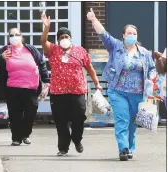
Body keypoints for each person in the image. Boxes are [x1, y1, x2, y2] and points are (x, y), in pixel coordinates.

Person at [87, 8, 156, 161]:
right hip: (117, 91)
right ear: (123, 35)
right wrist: (93, 20)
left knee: (132, 123)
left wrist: (151, 78)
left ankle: (130, 147)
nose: (131, 35)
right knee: (122, 119)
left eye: (134, 33)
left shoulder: (144, 53)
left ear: (137, 36)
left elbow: (152, 69)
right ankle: (123, 149)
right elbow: (103, 34)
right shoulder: (116, 46)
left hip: (137, 93)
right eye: (129, 33)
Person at [40, 13, 102, 156]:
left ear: (70, 38)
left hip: (77, 91)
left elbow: (89, 68)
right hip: (58, 93)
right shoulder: (53, 50)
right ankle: (63, 147)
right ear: (58, 40)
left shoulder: (80, 51)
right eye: (61, 37)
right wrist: (46, 28)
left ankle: (77, 139)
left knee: (79, 118)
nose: (64, 39)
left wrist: (97, 83)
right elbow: (44, 42)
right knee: (60, 122)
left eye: (66, 36)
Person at [0, 28, 50, 146]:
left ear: (22, 37)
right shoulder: (5, 50)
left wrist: (46, 81)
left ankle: (25, 134)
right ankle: (16, 138)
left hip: (31, 88)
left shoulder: (30, 49)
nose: (14, 37)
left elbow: (42, 64)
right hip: (12, 88)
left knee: (30, 113)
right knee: (14, 114)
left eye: (16, 34)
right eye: (11, 35)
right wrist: (1, 58)